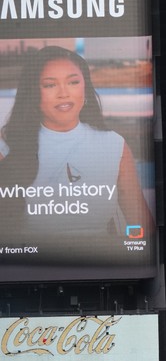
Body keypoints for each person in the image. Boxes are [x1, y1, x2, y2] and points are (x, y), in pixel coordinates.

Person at [0, 47, 154, 260]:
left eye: (73, 82)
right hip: (31, 265)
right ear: (33, 93)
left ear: (85, 87)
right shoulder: (6, 146)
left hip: (102, 264)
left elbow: (142, 227)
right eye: (50, 85)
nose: (64, 93)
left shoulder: (114, 144)